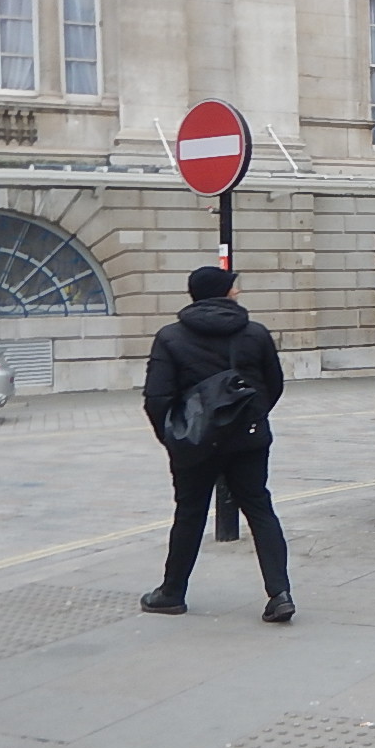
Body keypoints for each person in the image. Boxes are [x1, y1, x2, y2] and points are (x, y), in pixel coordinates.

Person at [141, 266, 294, 622]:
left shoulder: (170, 337)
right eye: (233, 287)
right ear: (223, 293)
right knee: (259, 509)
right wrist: (250, 417)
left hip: (195, 441)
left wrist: (176, 437)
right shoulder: (255, 333)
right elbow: (273, 384)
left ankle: (171, 593)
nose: (237, 292)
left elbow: (156, 398)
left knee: (189, 512)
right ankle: (280, 594)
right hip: (248, 439)